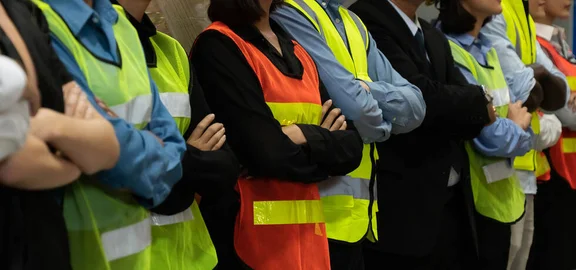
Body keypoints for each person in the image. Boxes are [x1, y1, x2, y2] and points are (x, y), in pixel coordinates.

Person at [189, 0, 365, 269]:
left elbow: (352, 147)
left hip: (307, 241)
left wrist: (299, 133)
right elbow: (266, 153)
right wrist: (322, 142)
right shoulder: (218, 45)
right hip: (247, 240)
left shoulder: (296, 49)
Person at [32, 0, 189, 268]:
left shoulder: (118, 19)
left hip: (144, 258)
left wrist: (105, 135)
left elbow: (174, 148)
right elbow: (89, 143)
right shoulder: (35, 21)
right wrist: (149, 148)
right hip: (78, 255)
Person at [271, 1, 426, 268]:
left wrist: (366, 89)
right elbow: (355, 109)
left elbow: (416, 107)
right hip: (310, 218)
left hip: (357, 219)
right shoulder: (290, 11)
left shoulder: (353, 22)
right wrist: (385, 125)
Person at [348, 0, 497, 268]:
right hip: (401, 216)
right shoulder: (366, 18)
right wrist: (474, 99)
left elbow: (473, 115)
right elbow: (423, 99)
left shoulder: (432, 35)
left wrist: (463, 105)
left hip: (450, 208)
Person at [113, 0, 241, 269]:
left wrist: (171, 165)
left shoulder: (170, 50)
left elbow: (224, 167)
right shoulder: (79, 46)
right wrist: (191, 156)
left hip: (193, 257)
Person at [0, 0, 119, 268]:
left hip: (47, 246)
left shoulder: (26, 11)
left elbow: (107, 147)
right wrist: (74, 148)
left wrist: (45, 126)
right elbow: (16, 165)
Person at [435, 0, 541, 268]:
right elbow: (488, 135)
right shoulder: (450, 49)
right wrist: (517, 128)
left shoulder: (488, 49)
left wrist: (516, 129)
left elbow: (521, 111)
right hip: (469, 203)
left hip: (502, 196)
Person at [480, 0, 571, 268]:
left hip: (523, 166)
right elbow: (525, 88)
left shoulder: (522, 17)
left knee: (519, 256)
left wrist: (536, 78)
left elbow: (560, 91)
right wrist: (537, 78)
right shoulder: (498, 10)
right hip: (496, 169)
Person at [526, 1, 576, 269]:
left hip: (566, 172)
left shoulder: (561, 43)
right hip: (545, 168)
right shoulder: (533, 44)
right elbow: (566, 110)